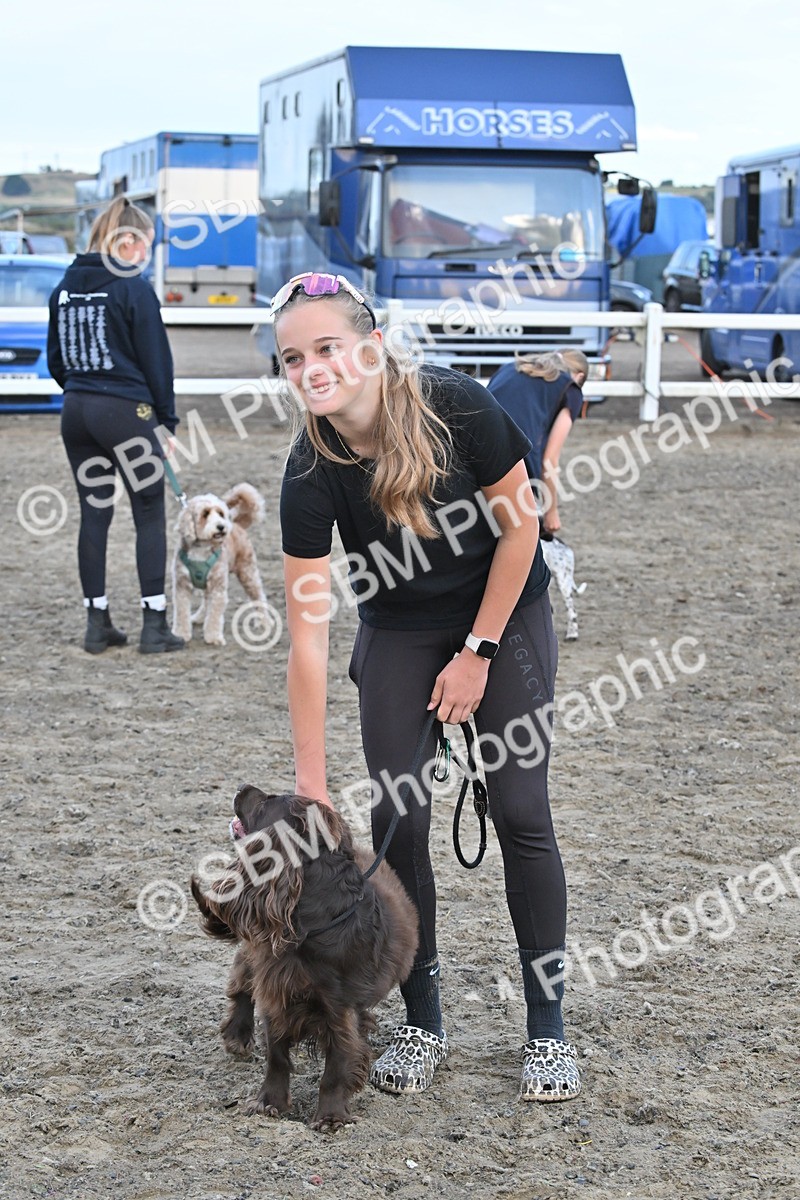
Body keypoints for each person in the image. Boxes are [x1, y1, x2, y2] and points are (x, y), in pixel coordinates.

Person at [274, 271, 581, 1103]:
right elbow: (308, 637)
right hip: (400, 625)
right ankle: (424, 1017)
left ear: (369, 347)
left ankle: (547, 1027)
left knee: (521, 809)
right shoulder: (309, 468)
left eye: (327, 347)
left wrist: (479, 653)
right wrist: (308, 789)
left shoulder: (460, 407)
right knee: (395, 816)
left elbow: (524, 529)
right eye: (293, 358)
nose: (311, 368)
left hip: (504, 612)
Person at [47, 197, 184, 654]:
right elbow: (156, 361)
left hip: (77, 412)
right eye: (146, 245)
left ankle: (97, 621)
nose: (147, 256)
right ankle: (154, 624)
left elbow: (56, 360)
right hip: (126, 413)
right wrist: (166, 420)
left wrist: (82, 389)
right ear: (127, 241)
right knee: (148, 512)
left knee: (94, 513)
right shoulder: (133, 287)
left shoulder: (64, 286)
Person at [487, 350, 587, 535]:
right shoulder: (570, 388)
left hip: (468, 450)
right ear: (579, 376)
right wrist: (551, 511)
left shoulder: (509, 368)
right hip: (513, 464)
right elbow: (549, 460)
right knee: (518, 535)